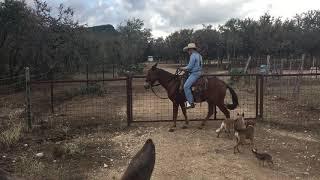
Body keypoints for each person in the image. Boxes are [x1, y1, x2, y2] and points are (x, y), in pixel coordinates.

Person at [179, 43, 203, 109]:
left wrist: (182, 68)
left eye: (188, 50)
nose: (188, 52)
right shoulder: (199, 55)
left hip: (194, 74)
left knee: (186, 86)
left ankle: (190, 103)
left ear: (191, 49)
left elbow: (189, 67)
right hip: (199, 72)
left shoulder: (193, 56)